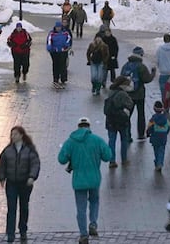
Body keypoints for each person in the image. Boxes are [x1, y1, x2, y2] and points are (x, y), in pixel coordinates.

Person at [57, 116, 113, 244]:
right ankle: (93, 223)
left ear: (78, 127)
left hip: (79, 180)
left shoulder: (71, 141)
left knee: (80, 208)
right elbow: (108, 156)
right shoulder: (97, 140)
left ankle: (83, 234)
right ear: (89, 127)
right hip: (94, 179)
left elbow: (61, 159)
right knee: (94, 201)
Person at [0, 125, 40, 244]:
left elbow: (35, 163)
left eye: (15, 134)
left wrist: (32, 176)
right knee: (11, 208)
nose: (13, 136)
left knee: (24, 207)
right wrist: (1, 178)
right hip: (11, 183)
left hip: (25, 183)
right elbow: (2, 165)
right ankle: (10, 233)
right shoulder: (7, 150)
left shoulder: (29, 149)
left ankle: (23, 230)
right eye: (12, 134)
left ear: (21, 135)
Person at [120, 46, 156, 139]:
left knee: (128, 114)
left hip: (128, 95)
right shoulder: (141, 66)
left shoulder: (126, 65)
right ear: (140, 55)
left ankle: (127, 134)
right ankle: (141, 134)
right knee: (141, 115)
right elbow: (147, 79)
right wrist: (153, 73)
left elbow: (121, 79)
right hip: (139, 95)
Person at [103, 76, 135, 168]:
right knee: (124, 139)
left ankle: (112, 160)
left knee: (111, 141)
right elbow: (130, 104)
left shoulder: (111, 91)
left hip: (110, 120)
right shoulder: (123, 94)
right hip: (121, 120)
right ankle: (124, 159)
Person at [145, 100, 170, 172]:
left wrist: (148, 133)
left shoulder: (153, 119)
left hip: (155, 137)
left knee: (156, 150)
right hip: (163, 137)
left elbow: (149, 128)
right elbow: (168, 127)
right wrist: (166, 133)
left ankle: (157, 162)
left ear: (154, 109)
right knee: (162, 151)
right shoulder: (165, 119)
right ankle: (160, 163)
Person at [47, 20, 73, 87]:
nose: (58, 28)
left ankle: (63, 78)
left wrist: (67, 45)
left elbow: (69, 39)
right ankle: (56, 78)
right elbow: (49, 41)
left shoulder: (65, 33)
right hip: (54, 51)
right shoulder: (51, 33)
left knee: (63, 64)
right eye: (57, 27)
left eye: (59, 27)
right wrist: (49, 48)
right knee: (56, 65)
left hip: (63, 51)